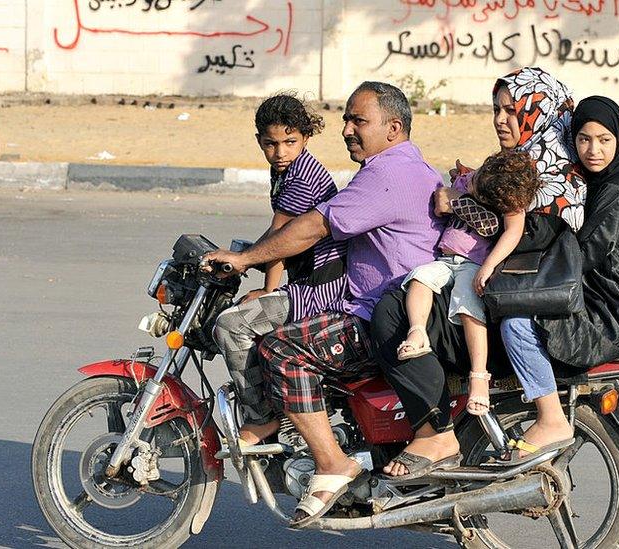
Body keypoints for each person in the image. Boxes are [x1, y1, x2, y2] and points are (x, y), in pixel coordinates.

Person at [202, 81, 444, 527]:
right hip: (373, 303)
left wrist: (243, 259)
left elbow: (313, 227)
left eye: (358, 120)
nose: (347, 129)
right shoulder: (396, 168)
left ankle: (331, 461)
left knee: (280, 348)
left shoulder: (388, 174)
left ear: (393, 128)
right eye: (346, 119)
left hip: (376, 316)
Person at [372, 67, 587, 479]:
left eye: (512, 110)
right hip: (497, 293)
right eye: (497, 109)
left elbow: (517, 231)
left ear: (537, 111)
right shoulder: (524, 161)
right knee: (400, 303)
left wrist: (458, 201)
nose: (501, 119)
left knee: (390, 315)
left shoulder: (545, 170)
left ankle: (436, 434)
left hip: (514, 308)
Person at [498, 95, 619, 463]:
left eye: (604, 140)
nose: (593, 150)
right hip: (601, 296)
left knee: (516, 324)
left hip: (615, 309)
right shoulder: (593, 180)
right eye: (584, 139)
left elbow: (586, 252)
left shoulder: (618, 189)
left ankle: (551, 419)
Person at [211, 93, 348, 449]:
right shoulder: (285, 171)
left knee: (231, 324)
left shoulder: (304, 177)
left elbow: (281, 239)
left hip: (322, 287)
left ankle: (262, 418)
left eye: (290, 142)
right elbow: (276, 235)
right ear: (260, 141)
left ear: (305, 138)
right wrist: (245, 257)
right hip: (308, 279)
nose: (281, 152)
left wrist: (267, 289)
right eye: (271, 144)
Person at [396, 150, 541, 417]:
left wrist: (488, 266)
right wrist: (461, 188)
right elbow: (442, 201)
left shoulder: (508, 196)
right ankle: (417, 332)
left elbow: (512, 231)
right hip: (445, 258)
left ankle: (478, 376)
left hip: (473, 264)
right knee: (419, 279)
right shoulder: (471, 179)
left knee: (468, 306)